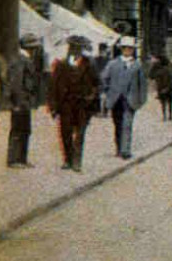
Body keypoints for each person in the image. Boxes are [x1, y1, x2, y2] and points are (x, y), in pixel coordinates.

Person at [48, 35, 100, 172]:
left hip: (83, 104)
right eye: (72, 47)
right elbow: (53, 87)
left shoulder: (89, 65)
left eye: (77, 48)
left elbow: (97, 83)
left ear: (81, 49)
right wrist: (53, 107)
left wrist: (92, 97)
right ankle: (67, 159)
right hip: (65, 104)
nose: (74, 50)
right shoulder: (61, 65)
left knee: (80, 133)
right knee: (66, 132)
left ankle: (77, 161)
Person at [102, 36, 148, 158]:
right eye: (125, 48)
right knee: (118, 125)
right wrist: (108, 92)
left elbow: (142, 84)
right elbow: (104, 79)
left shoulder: (137, 65)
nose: (128, 50)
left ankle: (125, 150)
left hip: (130, 100)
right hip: (115, 100)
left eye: (130, 49)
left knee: (127, 124)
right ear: (121, 49)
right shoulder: (113, 64)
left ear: (133, 50)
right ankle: (118, 147)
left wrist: (141, 100)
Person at [7, 33, 40, 167]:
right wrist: (17, 102)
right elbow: (16, 83)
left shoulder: (24, 59)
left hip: (25, 101)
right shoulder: (21, 60)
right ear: (29, 48)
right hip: (20, 101)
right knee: (18, 130)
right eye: (34, 47)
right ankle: (14, 159)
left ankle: (22, 159)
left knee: (25, 130)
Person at [152, 55, 172, 121]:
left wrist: (154, 65)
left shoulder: (159, 71)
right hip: (169, 88)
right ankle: (170, 116)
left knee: (163, 103)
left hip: (162, 88)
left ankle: (165, 116)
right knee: (170, 103)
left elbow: (151, 76)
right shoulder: (169, 70)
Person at [93, 43, 110, 116]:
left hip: (107, 79)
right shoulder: (96, 59)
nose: (102, 52)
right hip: (98, 78)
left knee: (106, 95)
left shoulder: (110, 60)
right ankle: (98, 110)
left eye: (104, 50)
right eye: (101, 50)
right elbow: (94, 68)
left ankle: (105, 111)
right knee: (97, 94)